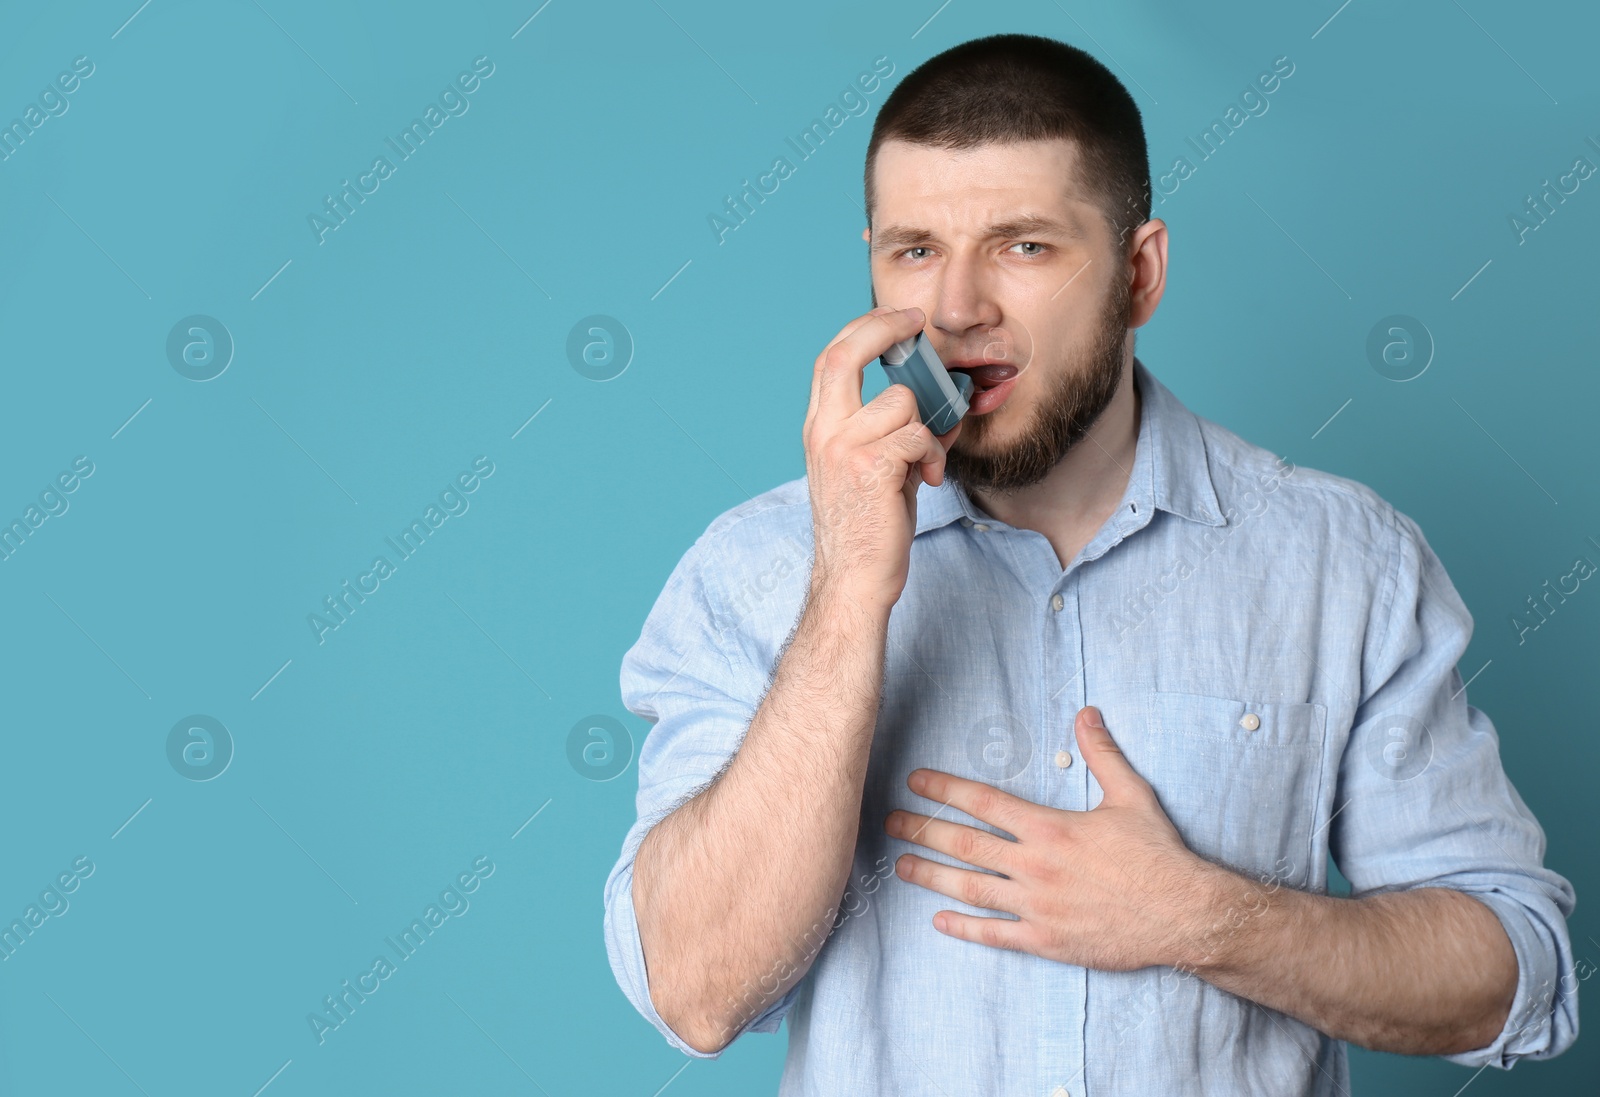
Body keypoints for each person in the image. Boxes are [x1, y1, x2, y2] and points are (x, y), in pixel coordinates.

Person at [602, 32, 1577, 1096]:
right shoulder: (756, 566)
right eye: (915, 249)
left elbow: (1513, 977)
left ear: (1139, 272)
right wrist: (846, 591)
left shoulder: (1342, 561)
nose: (959, 305)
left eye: (1023, 246)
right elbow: (695, 990)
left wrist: (1207, 918)